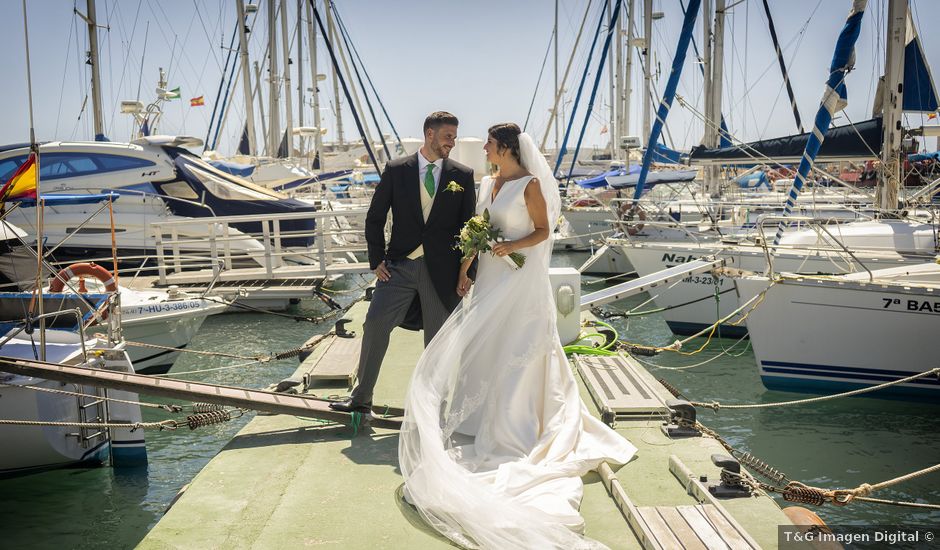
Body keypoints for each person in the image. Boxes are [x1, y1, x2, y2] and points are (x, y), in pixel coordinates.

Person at [399, 123, 636, 548]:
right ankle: (482, 415)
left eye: (490, 142)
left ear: (506, 147)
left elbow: (544, 232)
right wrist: (465, 269)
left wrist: (511, 247)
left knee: (516, 344)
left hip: (517, 279)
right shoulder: (489, 182)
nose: (484, 147)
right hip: (489, 275)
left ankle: (517, 421)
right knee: (485, 344)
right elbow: (478, 228)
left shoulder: (529, 185)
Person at [330, 112, 476, 415]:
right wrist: (376, 259)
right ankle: (361, 399)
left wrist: (468, 271)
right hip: (399, 268)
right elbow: (375, 216)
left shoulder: (462, 175)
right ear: (430, 135)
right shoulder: (396, 170)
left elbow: (470, 227)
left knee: (436, 342)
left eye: (455, 136)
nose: (453, 142)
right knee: (375, 324)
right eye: (448, 135)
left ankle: (432, 409)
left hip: (442, 273)